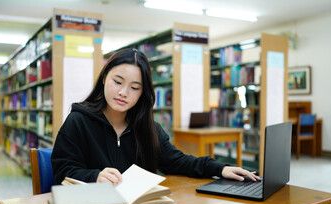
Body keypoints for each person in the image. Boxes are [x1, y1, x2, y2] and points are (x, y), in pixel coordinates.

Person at [51, 48, 260, 185]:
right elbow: (63, 171)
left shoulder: (146, 127)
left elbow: (177, 161)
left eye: (134, 87)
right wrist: (94, 177)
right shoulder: (78, 121)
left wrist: (220, 168)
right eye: (117, 82)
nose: (124, 92)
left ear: (143, 93)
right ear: (105, 78)